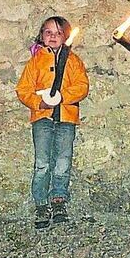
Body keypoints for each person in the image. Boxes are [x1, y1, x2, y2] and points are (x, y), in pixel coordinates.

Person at [16, 16, 90, 230]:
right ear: (41, 36)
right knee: (42, 162)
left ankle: (58, 198)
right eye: (48, 32)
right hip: (43, 119)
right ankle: (41, 203)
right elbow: (23, 89)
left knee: (63, 161)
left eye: (58, 33)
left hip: (66, 118)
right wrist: (39, 102)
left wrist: (62, 96)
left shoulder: (74, 61)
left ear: (65, 37)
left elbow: (82, 86)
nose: (53, 37)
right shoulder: (36, 61)